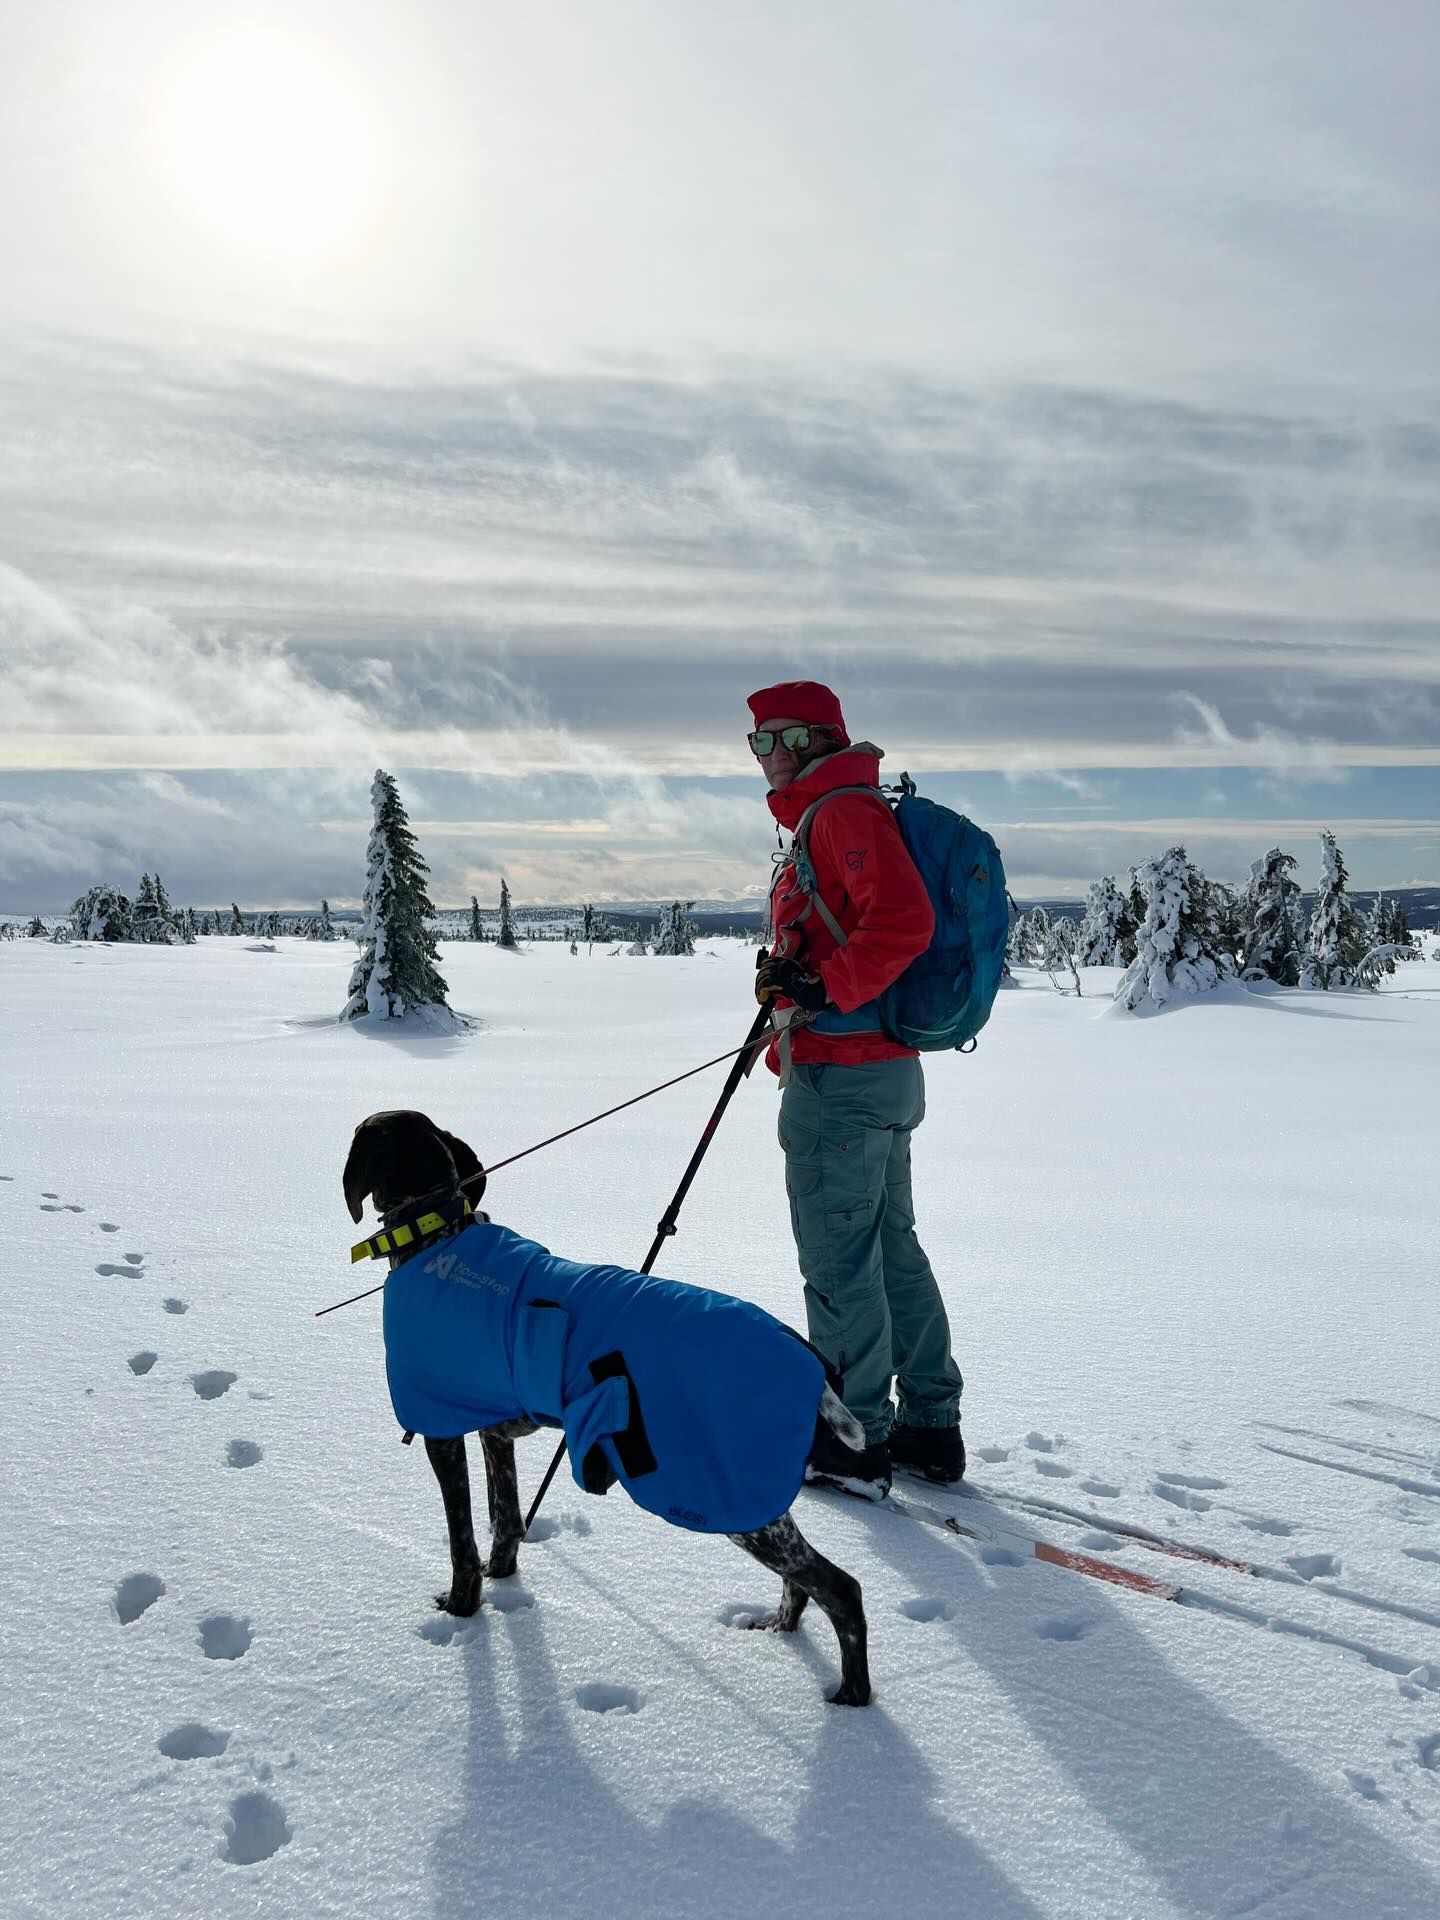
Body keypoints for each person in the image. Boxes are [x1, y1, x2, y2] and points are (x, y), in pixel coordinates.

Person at [747, 680, 965, 1498]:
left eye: (777, 739)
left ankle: (855, 1437)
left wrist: (823, 988)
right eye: (756, 742)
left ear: (815, 738)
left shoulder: (841, 809)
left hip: (846, 1080)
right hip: (875, 1072)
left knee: (840, 1259)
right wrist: (801, 977)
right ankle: (928, 1426)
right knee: (886, 1247)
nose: (766, 757)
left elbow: (902, 923)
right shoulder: (837, 810)